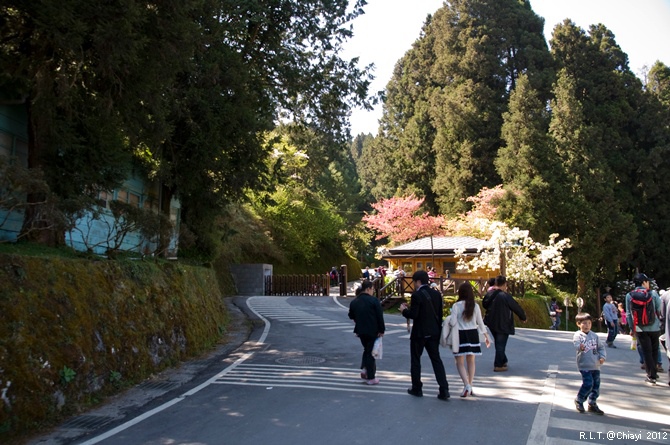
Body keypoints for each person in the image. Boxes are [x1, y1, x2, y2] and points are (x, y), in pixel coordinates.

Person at [399, 270, 450, 400]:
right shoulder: (437, 294)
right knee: (436, 360)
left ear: (418, 281)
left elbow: (414, 315)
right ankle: (444, 389)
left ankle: (417, 388)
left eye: (414, 282)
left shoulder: (417, 295)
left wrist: (404, 311)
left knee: (416, 360)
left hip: (419, 333)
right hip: (434, 332)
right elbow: (439, 314)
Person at [449, 282, 490, 397]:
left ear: (460, 293)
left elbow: (452, 322)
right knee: (471, 361)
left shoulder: (456, 306)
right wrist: (486, 337)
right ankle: (470, 385)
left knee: (459, 362)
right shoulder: (475, 306)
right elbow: (480, 323)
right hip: (473, 334)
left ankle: (466, 385)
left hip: (460, 335)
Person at [482, 275, 527, 372]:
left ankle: (503, 360)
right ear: (505, 284)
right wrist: (523, 317)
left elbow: (484, 304)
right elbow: (516, 307)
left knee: (499, 343)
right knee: (500, 344)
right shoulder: (505, 296)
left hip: (491, 322)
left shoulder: (489, 294)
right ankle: (498, 365)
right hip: (503, 323)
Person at [625, 273, 662, 384]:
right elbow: (659, 309)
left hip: (640, 328)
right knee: (655, 350)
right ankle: (654, 372)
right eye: (647, 282)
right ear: (643, 282)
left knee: (646, 351)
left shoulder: (629, 295)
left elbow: (628, 314)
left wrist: (632, 328)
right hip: (654, 327)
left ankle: (651, 375)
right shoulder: (653, 293)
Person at [348, 280, 385, 385]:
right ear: (368, 289)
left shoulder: (355, 301)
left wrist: (358, 319)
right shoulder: (374, 301)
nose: (373, 291)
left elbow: (351, 315)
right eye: (372, 289)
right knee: (371, 353)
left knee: (367, 349)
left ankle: (365, 369)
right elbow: (379, 317)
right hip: (373, 330)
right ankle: (371, 377)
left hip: (360, 331)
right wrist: (382, 330)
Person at [573, 312, 606, 415]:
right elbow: (576, 344)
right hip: (584, 365)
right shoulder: (578, 335)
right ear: (578, 324)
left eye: (589, 323)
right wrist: (580, 347)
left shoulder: (594, 336)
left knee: (596, 385)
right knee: (588, 384)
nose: (587, 325)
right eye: (584, 323)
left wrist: (602, 356)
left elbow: (601, 347)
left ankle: (592, 403)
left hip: (595, 365)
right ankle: (579, 400)